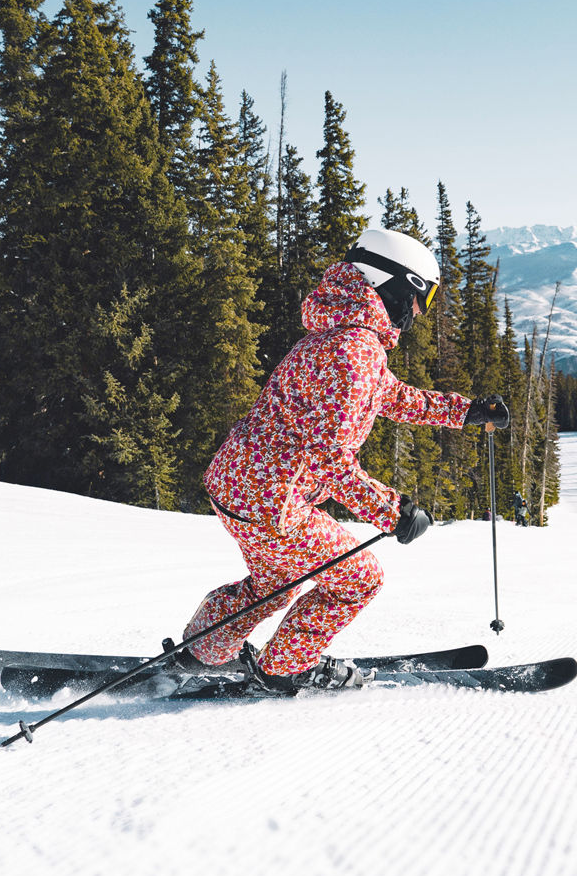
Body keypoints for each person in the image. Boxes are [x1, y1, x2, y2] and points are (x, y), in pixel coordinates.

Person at [179, 228, 511, 692]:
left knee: (274, 583)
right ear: (398, 285)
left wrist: (465, 411)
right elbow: (329, 459)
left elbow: (391, 395)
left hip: (238, 487)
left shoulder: (342, 336)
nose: (420, 312)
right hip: (275, 501)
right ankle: (284, 668)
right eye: (424, 298)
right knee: (359, 579)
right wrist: (394, 511)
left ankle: (202, 650)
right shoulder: (354, 350)